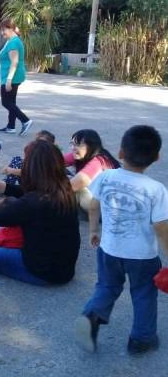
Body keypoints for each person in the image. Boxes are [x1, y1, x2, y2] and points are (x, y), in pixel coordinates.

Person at [75, 125, 168, 356]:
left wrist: (93, 230)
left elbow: (93, 205)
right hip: (143, 257)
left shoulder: (106, 176)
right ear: (156, 157)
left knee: (107, 286)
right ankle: (141, 339)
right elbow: (161, 227)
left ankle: (91, 317)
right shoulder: (156, 189)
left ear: (121, 153)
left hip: (109, 249)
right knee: (144, 293)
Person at [0, 140, 80, 285]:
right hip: (64, 269)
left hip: (40, 270)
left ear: (33, 168)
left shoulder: (34, 202)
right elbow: (24, 193)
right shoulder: (64, 189)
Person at [65, 129, 120, 211]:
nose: (73, 148)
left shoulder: (98, 162)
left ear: (90, 146)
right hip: (100, 199)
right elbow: (55, 161)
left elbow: (72, 186)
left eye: (77, 145)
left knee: (79, 189)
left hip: (109, 209)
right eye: (72, 144)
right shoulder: (85, 153)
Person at [0, 20, 32, 136]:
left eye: (4, 30)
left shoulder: (13, 42)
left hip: (11, 76)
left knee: (6, 102)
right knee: (11, 102)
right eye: (1, 30)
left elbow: (14, 62)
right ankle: (11, 126)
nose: (2, 33)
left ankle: (25, 120)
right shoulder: (12, 41)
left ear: (11, 28)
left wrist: (9, 80)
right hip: (12, 75)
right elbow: (6, 54)